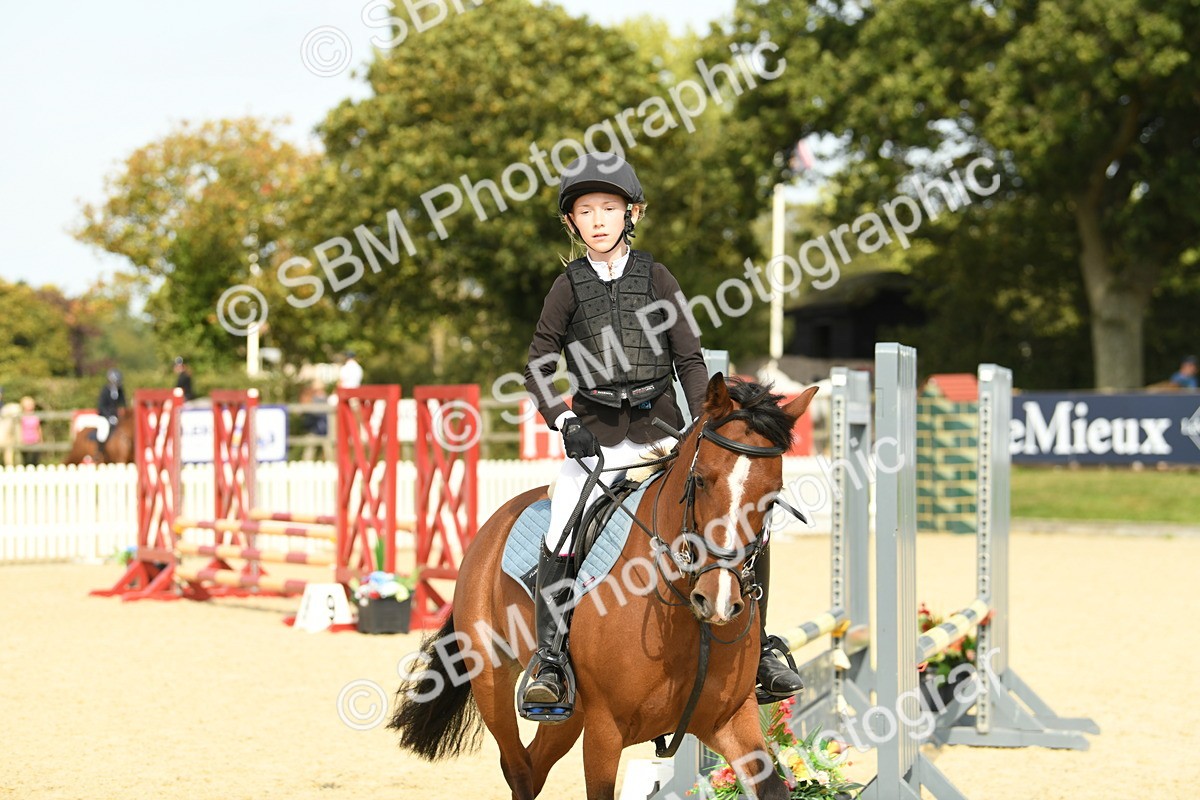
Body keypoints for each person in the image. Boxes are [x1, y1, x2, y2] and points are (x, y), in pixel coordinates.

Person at [518, 152, 804, 722]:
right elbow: (537, 363)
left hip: (663, 432)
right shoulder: (567, 286)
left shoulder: (657, 277)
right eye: (585, 211)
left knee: (739, 521)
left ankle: (763, 645)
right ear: (572, 223)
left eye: (608, 208)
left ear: (632, 213)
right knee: (561, 527)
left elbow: (689, 357)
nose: (597, 220)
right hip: (593, 437)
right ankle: (551, 659)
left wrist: (706, 424)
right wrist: (562, 420)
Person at [96, 369, 127, 457]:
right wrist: (109, 416)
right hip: (105, 416)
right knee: (103, 431)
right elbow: (101, 406)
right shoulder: (105, 391)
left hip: (116, 416)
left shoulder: (120, 391)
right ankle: (99, 452)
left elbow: (123, 403)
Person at [19, 396, 42, 466]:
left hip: (35, 441)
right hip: (24, 441)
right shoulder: (21, 416)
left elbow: (38, 428)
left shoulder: (36, 416)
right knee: (26, 462)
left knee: (35, 462)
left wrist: (41, 439)